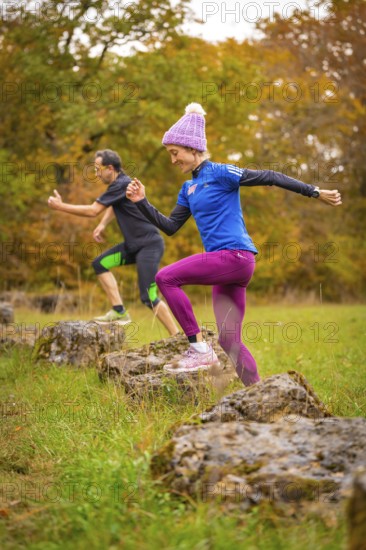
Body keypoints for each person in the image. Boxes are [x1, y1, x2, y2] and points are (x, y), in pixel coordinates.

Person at [126, 103, 342, 385]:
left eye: (175, 153)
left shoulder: (221, 172)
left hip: (236, 257)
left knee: (165, 278)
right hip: (224, 266)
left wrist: (314, 191)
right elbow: (170, 227)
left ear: (192, 149)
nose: (173, 160)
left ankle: (199, 349)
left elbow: (271, 177)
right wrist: (142, 201)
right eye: (170, 154)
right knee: (230, 342)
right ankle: (259, 394)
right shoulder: (187, 189)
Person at [47, 149, 179, 336]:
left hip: (149, 246)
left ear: (110, 168)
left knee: (148, 297)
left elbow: (93, 210)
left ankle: (177, 337)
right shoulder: (121, 184)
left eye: (97, 169)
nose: (95, 173)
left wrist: (60, 207)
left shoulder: (120, 184)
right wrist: (102, 224)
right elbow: (115, 205)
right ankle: (119, 310)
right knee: (100, 263)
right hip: (134, 246)